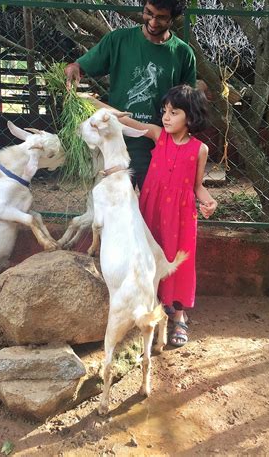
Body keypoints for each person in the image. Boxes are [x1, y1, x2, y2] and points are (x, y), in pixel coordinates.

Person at [83, 85, 217, 347]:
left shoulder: (200, 149)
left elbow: (197, 185)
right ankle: (151, 307)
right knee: (148, 257)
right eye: (164, 111)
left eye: (174, 112)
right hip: (151, 209)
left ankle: (179, 315)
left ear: (190, 117)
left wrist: (209, 202)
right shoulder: (158, 136)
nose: (166, 117)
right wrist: (91, 102)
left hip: (181, 215)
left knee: (177, 260)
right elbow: (121, 119)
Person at [65, 0, 196, 190]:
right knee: (114, 207)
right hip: (116, 141)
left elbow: (187, 106)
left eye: (161, 17)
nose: (153, 22)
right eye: (148, 13)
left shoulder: (182, 53)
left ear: (173, 17)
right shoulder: (118, 40)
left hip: (157, 145)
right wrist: (74, 68)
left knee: (153, 208)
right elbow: (81, 66)